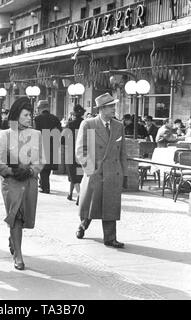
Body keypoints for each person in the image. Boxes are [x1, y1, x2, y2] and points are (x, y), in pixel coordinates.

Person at [0, 97, 45, 271]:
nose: (29, 118)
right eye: (26, 115)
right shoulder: (4, 135)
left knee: (23, 219)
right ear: (16, 116)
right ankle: (18, 255)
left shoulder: (36, 135)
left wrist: (31, 171)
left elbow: (41, 160)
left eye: (30, 115)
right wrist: (12, 171)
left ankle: (13, 239)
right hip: (11, 183)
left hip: (29, 182)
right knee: (15, 216)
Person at [75, 93, 128, 249]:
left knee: (110, 205)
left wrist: (124, 174)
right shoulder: (89, 124)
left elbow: (123, 152)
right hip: (95, 173)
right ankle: (83, 225)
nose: (114, 109)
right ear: (102, 109)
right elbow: (81, 150)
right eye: (111, 106)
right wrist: (90, 169)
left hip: (113, 173)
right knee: (92, 205)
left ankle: (110, 238)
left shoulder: (119, 126)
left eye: (114, 106)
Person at [34, 100, 62, 194]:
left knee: (42, 167)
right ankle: (44, 185)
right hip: (52, 145)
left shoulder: (37, 119)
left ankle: (45, 187)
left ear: (41, 108)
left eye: (38, 108)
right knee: (48, 168)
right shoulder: (55, 118)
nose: (37, 110)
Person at [65, 105, 85, 205]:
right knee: (78, 174)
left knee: (73, 174)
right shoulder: (86, 123)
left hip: (71, 152)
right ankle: (70, 193)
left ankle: (80, 195)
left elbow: (63, 139)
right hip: (83, 152)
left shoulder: (70, 124)